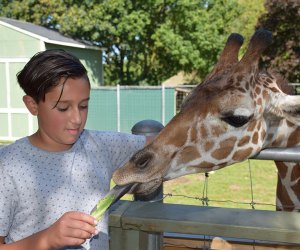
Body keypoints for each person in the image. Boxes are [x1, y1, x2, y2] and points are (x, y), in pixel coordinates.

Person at [0, 49, 147, 250]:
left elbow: (164, 146)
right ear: (32, 105)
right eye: (63, 108)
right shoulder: (7, 166)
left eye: (83, 105)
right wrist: (47, 239)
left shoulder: (101, 146)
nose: (77, 119)